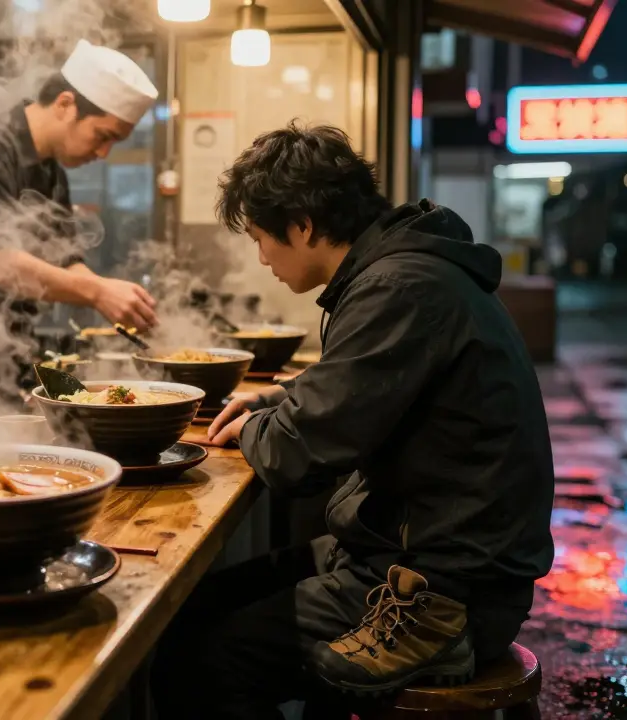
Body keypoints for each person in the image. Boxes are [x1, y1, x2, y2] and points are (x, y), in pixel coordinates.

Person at [152, 123, 554, 718]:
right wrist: (268, 405)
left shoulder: (399, 286)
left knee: (200, 658)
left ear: (303, 225)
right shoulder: (402, 270)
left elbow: (296, 456)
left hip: (439, 591)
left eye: (262, 239)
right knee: (196, 605)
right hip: (413, 553)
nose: (261, 258)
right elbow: (344, 392)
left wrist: (258, 428)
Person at [0, 40, 160, 404]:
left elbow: (67, 260)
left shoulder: (51, 172)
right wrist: (98, 292)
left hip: (6, 358)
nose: (103, 154)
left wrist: (120, 299)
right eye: (103, 136)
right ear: (65, 104)